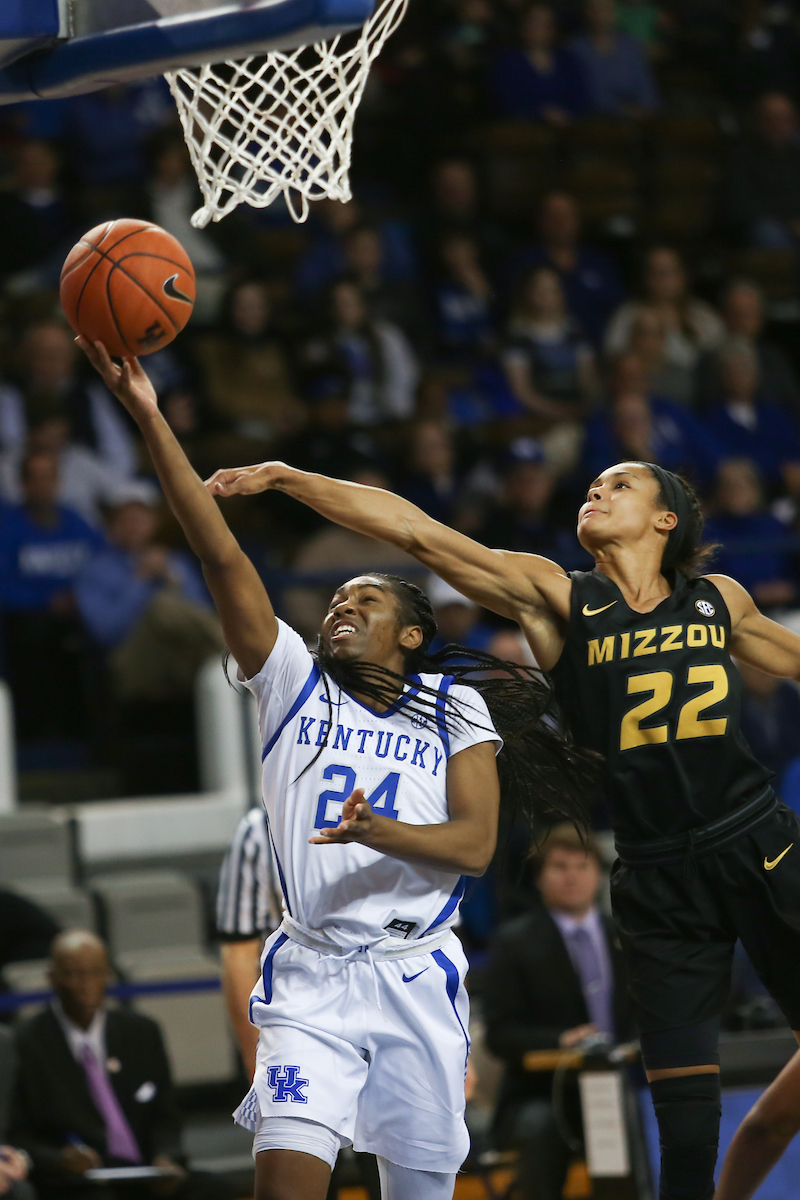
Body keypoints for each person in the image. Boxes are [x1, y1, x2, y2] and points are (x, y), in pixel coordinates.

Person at [77, 336, 596, 1200]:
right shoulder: (290, 681)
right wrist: (149, 414)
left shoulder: (454, 708)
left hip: (419, 975)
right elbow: (218, 554)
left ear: (413, 635)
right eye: (336, 600)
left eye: (368, 600)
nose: (341, 608)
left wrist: (376, 829)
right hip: (312, 974)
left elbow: (473, 846)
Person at [207, 453, 800, 1200]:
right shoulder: (557, 595)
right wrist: (291, 480)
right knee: (684, 1129)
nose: (596, 491)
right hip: (658, 871)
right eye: (591, 485)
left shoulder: (720, 598)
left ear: (666, 518)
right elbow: (419, 534)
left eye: (620, 485)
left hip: (759, 839)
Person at [9, 930, 237, 1200]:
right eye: (74, 974)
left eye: (95, 973)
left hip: (146, 1170)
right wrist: (59, 1159)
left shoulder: (141, 1032)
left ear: (108, 976)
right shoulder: (26, 1042)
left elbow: (164, 1114)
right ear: (53, 979)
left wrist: (166, 1157)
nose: (85, 985)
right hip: (80, 1180)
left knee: (214, 1189)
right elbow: (18, 1133)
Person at [483, 824, 633, 1200]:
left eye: (582, 866)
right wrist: (562, 1040)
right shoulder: (513, 942)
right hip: (543, 1093)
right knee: (540, 1127)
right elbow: (501, 1034)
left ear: (599, 875)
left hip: (622, 1083)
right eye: (560, 867)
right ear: (539, 877)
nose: (572, 876)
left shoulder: (628, 937)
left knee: (651, 1116)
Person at [74, 487, 223, 704]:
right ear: (112, 527)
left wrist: (174, 581)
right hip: (131, 660)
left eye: (141, 520)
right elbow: (106, 632)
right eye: (128, 521)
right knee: (161, 606)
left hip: (182, 657)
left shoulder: (175, 563)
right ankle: (244, 651)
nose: (135, 527)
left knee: (209, 650)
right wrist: (140, 580)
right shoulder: (94, 571)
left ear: (154, 524)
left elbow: (201, 613)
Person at [0, 449, 104, 741]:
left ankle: (91, 732)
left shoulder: (75, 521)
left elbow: (102, 564)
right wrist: (45, 602)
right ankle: (38, 733)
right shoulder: (8, 525)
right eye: (36, 479)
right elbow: (4, 584)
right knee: (36, 641)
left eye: (50, 478)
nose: (44, 486)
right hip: (28, 619)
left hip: (78, 611)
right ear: (24, 484)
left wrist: (78, 598)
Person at [723, 92, 800, 249]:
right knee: (769, 232)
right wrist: (788, 221)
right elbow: (740, 204)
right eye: (772, 118)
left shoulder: (795, 155)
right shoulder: (741, 156)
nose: (779, 124)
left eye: (785, 118)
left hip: (794, 220)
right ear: (758, 121)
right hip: (762, 223)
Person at [489, 4, 588, 124]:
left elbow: (581, 95)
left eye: (545, 23)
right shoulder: (508, 60)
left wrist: (566, 114)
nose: (539, 28)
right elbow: (507, 100)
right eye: (534, 22)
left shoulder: (567, 60)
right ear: (522, 25)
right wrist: (540, 113)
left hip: (568, 125)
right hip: (524, 128)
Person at [568, 0, 658, 117]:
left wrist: (647, 108)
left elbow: (644, 83)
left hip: (638, 114)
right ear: (588, 13)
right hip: (598, 118)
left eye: (609, 10)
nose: (605, 16)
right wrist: (621, 109)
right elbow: (585, 91)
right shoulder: (576, 48)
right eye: (599, 10)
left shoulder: (629, 45)